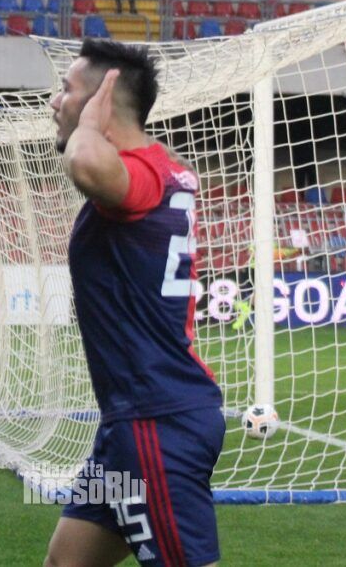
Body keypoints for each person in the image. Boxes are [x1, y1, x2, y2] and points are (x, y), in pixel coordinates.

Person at [44, 39, 225, 567]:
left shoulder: (139, 178)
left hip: (157, 422)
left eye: (66, 89)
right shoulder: (162, 169)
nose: (55, 102)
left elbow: (85, 163)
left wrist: (89, 123)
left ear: (102, 98)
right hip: (135, 419)